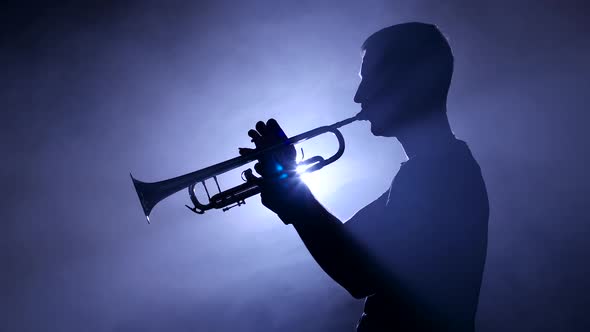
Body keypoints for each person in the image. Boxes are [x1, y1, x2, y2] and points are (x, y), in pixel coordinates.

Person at [239, 22, 489, 332]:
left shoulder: (442, 174)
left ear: (408, 83)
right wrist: (289, 189)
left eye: (369, 80)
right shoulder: (434, 170)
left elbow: (357, 272)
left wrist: (290, 191)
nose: (358, 97)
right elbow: (350, 246)